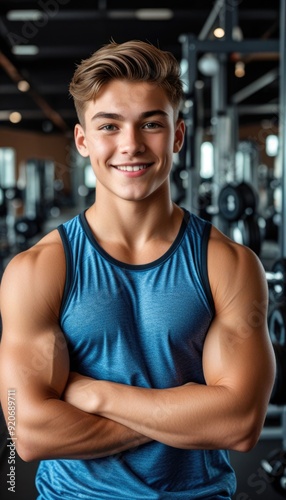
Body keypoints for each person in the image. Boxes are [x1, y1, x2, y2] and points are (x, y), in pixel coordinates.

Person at [0, 40, 275, 499]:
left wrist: (96, 395)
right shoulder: (37, 270)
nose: (130, 145)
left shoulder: (228, 264)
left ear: (178, 136)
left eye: (151, 124)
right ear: (83, 140)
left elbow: (240, 423)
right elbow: (28, 433)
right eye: (109, 126)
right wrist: (188, 414)